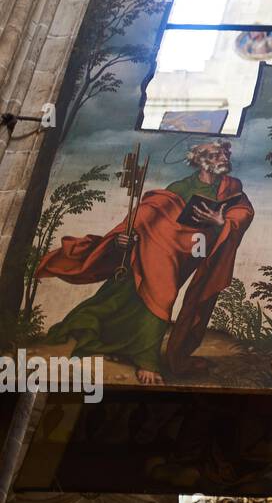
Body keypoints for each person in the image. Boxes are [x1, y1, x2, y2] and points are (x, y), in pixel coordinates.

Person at [37, 140, 254, 383]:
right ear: (200, 161)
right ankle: (145, 359)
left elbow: (243, 212)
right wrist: (126, 237)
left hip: (187, 253)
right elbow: (150, 214)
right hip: (157, 247)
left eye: (224, 153)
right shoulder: (180, 187)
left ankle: (118, 345)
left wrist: (221, 222)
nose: (223, 157)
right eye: (215, 154)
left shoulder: (232, 188)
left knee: (137, 295)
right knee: (153, 293)